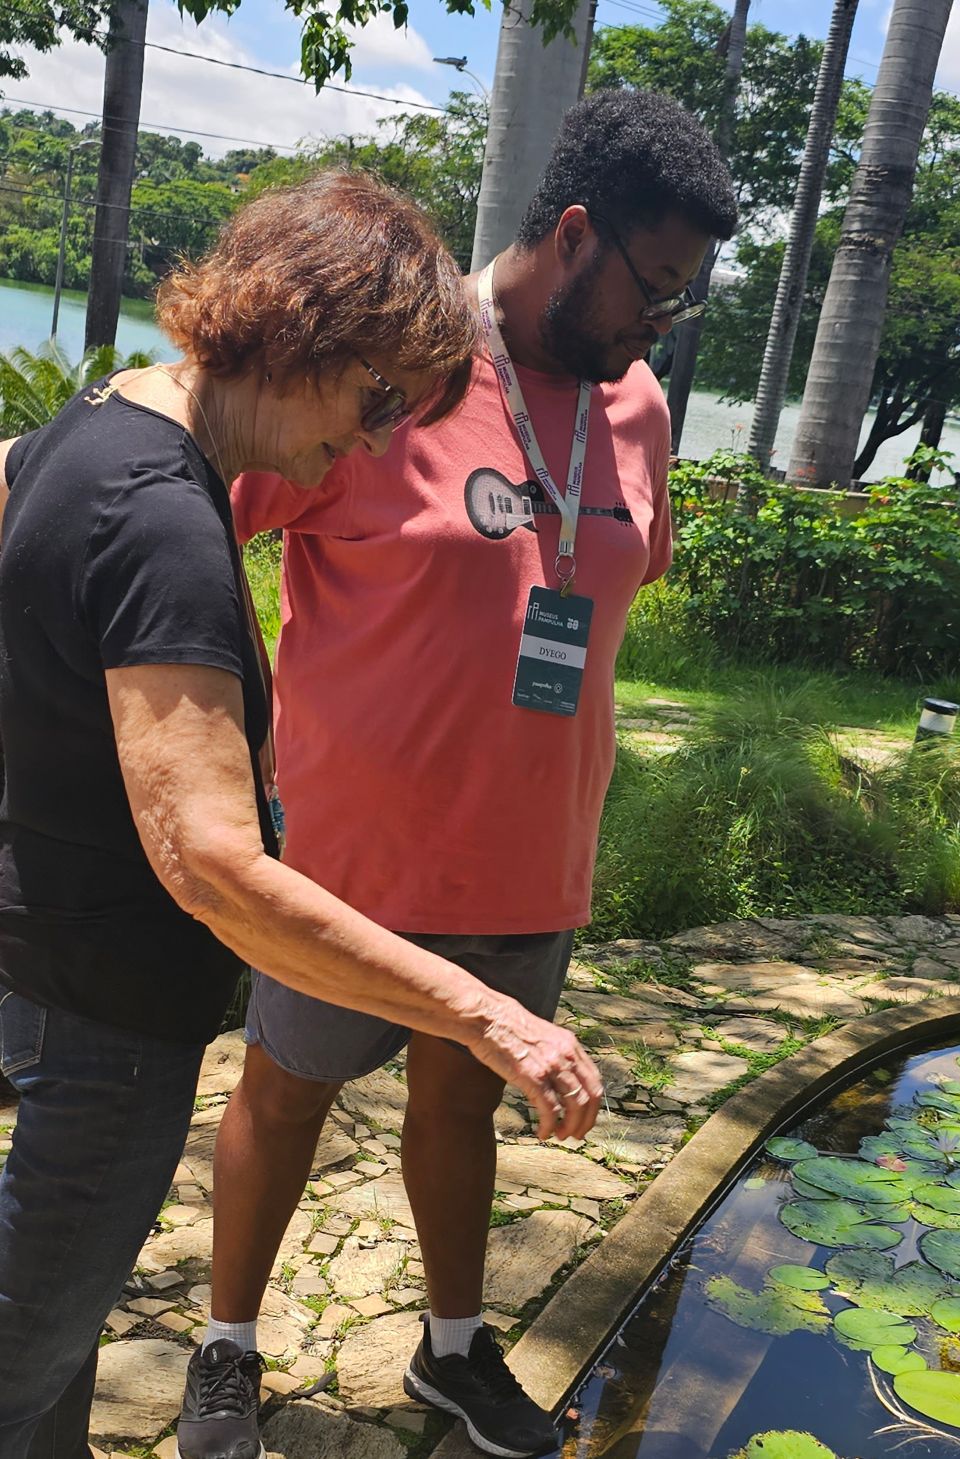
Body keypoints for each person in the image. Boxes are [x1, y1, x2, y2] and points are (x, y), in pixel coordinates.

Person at [0, 171, 603, 1459]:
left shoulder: (91, 432)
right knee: (16, 1360)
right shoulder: (164, 518)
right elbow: (212, 867)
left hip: (51, 972)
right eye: (376, 396)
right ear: (296, 331)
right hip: (108, 1018)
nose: (381, 442)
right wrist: (488, 1014)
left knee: (50, 1366)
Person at [186, 91, 738, 1459]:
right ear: (571, 233)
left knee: (463, 1101)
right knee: (284, 1088)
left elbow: (614, 575)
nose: (656, 325)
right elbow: (198, 515)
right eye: (650, 289)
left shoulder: (641, 409)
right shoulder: (404, 370)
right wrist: (237, 710)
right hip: (350, 859)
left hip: (531, 854)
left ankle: (450, 1350)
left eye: (681, 302)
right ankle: (225, 1346)